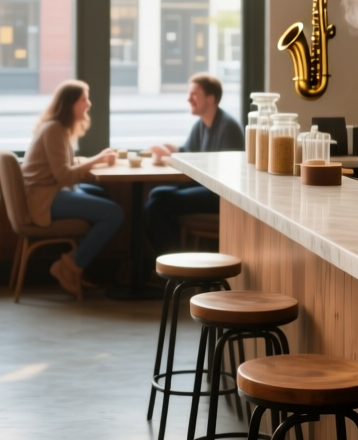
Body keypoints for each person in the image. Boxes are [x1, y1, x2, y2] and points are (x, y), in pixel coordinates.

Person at [21, 81, 124, 297]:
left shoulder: (57, 127)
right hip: (45, 199)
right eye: (84, 99)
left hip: (50, 191)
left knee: (103, 194)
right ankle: (71, 264)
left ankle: (76, 266)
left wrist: (92, 161)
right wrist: (97, 159)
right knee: (113, 212)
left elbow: (62, 168)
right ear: (70, 103)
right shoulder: (54, 129)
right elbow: (65, 175)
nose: (89, 103)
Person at [143, 73, 244, 253]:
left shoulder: (227, 127)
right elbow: (189, 153)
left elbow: (217, 170)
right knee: (155, 195)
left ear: (210, 98)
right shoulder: (201, 125)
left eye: (193, 94)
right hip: (206, 187)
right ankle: (173, 257)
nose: (188, 98)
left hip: (221, 195)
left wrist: (168, 157)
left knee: (156, 205)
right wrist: (172, 149)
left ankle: (174, 261)